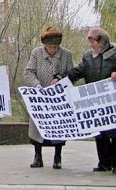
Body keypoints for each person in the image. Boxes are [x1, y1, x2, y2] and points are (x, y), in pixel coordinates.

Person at [66, 27, 116, 174]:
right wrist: (60, 78)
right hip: (96, 102)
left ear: (102, 40)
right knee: (100, 133)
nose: (91, 44)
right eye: (89, 41)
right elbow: (78, 71)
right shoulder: (88, 57)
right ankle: (104, 163)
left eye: (93, 41)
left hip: (114, 101)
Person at [24, 26, 74, 169]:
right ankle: (37, 156)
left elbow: (72, 73)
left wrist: (61, 80)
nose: (53, 50)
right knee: (37, 127)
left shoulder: (66, 55)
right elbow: (28, 72)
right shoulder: (36, 53)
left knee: (58, 127)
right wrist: (36, 85)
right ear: (44, 45)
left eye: (55, 47)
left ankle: (57, 157)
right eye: (50, 47)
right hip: (40, 96)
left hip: (58, 97)